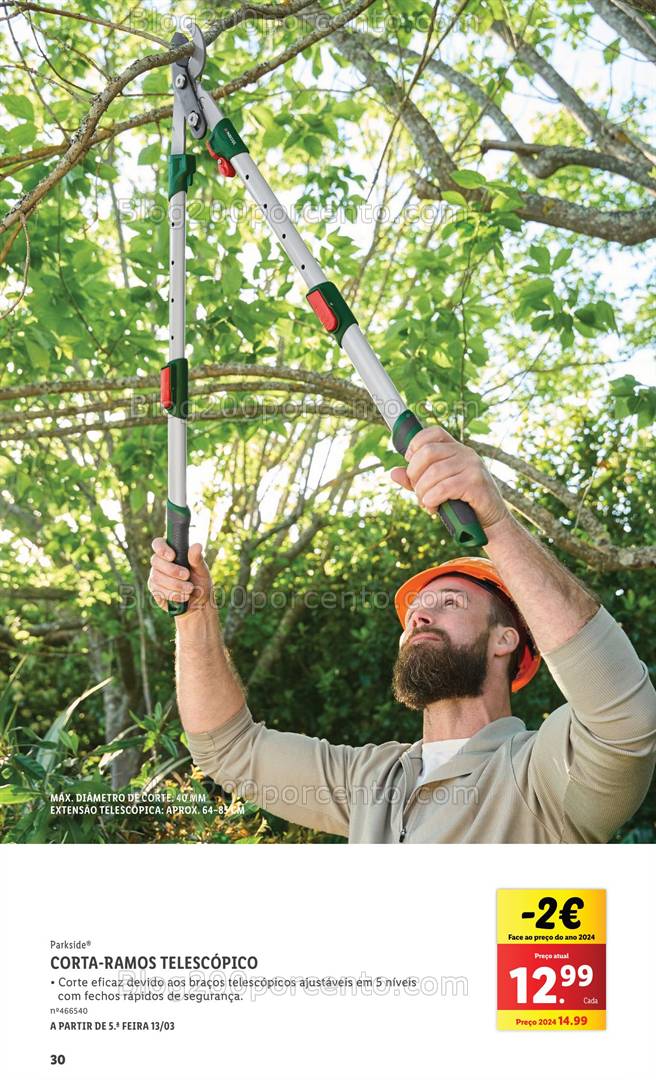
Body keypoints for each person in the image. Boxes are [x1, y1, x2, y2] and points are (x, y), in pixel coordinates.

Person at [147, 427, 656, 843]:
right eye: (414, 611)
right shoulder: (372, 783)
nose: (418, 616)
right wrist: (194, 617)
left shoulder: (543, 775)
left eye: (449, 603)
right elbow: (229, 753)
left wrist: (494, 522)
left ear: (506, 640)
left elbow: (624, 715)